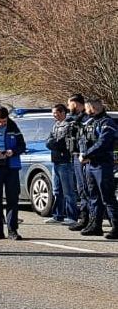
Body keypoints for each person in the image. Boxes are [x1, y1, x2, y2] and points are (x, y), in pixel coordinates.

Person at [0, 106, 26, 240]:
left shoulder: (13, 127)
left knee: (12, 198)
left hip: (11, 166)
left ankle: (12, 230)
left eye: (4, 122)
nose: (1, 124)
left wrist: (12, 152)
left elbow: (22, 145)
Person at [77, 98, 118, 239]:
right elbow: (83, 140)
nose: (86, 111)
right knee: (93, 196)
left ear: (93, 107)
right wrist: (83, 155)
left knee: (107, 196)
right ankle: (96, 225)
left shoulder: (107, 123)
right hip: (90, 165)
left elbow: (103, 143)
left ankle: (116, 226)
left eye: (88, 108)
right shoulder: (91, 123)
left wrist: (87, 154)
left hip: (102, 165)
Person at [45, 103, 76, 224]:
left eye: (56, 113)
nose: (54, 116)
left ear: (63, 112)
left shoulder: (69, 125)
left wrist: (52, 143)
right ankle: (58, 215)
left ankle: (72, 217)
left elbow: (62, 142)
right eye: (53, 114)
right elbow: (49, 141)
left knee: (68, 191)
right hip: (56, 161)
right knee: (57, 191)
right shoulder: (55, 125)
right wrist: (52, 143)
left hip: (65, 162)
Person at [66, 94, 92, 231]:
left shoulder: (86, 118)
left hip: (84, 157)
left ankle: (88, 219)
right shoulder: (75, 119)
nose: (68, 107)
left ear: (75, 104)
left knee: (86, 189)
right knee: (81, 189)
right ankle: (85, 218)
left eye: (69, 104)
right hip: (76, 156)